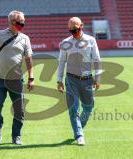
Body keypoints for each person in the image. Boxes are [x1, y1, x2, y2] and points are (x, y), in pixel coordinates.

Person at [0, 10, 34, 145]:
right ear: (11, 22)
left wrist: (31, 77)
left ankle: (16, 135)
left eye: (23, 22)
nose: (22, 24)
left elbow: (28, 59)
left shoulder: (25, 38)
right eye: (19, 22)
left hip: (16, 80)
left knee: (19, 109)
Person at [57, 17, 101, 146]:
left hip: (87, 80)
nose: (73, 32)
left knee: (88, 107)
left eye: (75, 29)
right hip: (71, 80)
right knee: (73, 108)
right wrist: (59, 80)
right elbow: (61, 62)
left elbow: (97, 60)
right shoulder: (65, 43)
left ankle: (79, 126)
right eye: (71, 30)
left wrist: (98, 78)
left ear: (81, 26)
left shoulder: (91, 40)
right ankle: (79, 135)